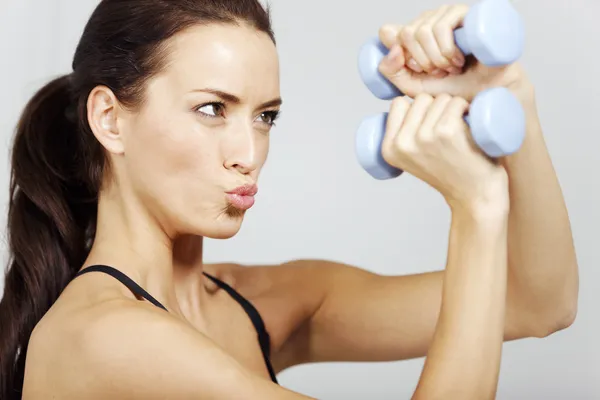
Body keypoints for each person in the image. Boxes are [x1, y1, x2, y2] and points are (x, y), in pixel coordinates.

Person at [0, 1, 578, 399]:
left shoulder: (259, 304)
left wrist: (509, 99)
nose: (248, 152)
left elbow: (537, 302)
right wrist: (476, 208)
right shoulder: (102, 337)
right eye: (211, 109)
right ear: (110, 119)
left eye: (266, 116)